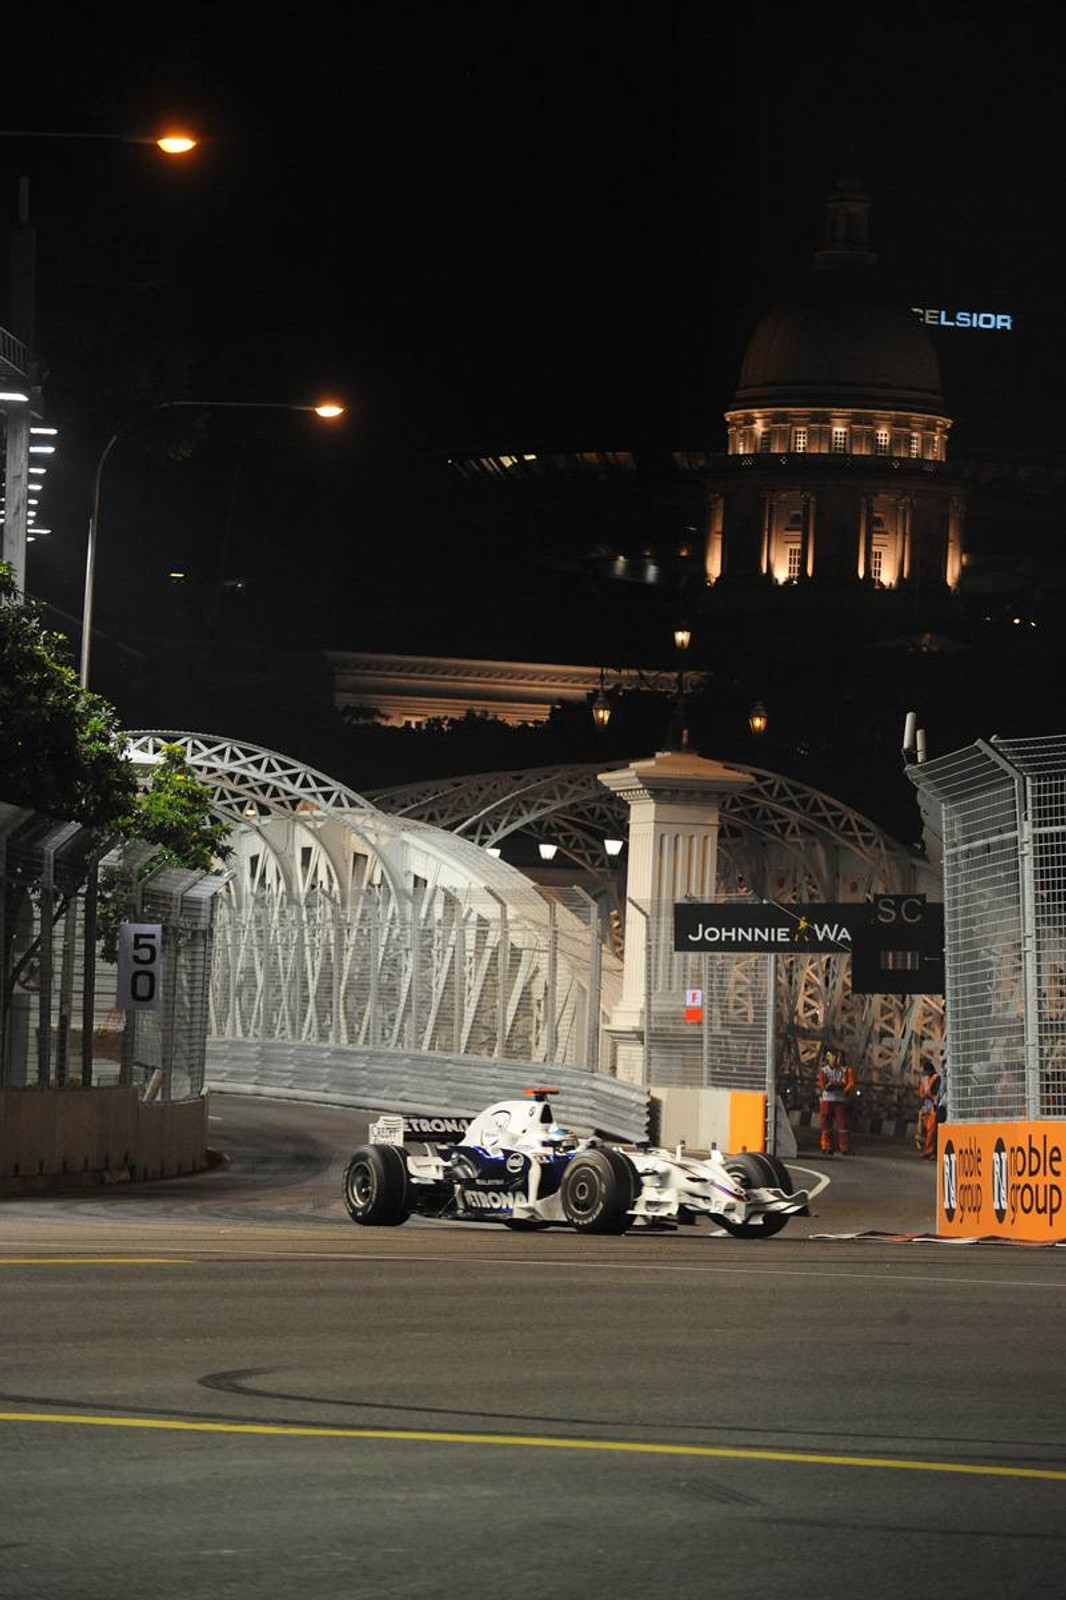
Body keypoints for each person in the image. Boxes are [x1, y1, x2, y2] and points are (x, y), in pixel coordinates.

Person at [817, 1046, 855, 1155]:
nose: (835, 1059)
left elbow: (848, 1084)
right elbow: (825, 1085)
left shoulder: (844, 1070)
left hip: (840, 1100)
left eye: (836, 1057)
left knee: (842, 1125)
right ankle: (826, 1146)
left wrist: (836, 1086)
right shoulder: (824, 1071)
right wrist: (839, 1086)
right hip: (827, 1100)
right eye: (833, 1057)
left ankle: (844, 1147)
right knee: (826, 1125)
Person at [917, 1061, 943, 1159]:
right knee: (926, 1130)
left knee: (931, 1131)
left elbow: (934, 1094)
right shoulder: (925, 1079)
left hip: (933, 1107)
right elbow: (922, 1093)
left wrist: (928, 1094)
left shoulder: (936, 1078)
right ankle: (928, 1150)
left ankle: (929, 1151)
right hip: (927, 1107)